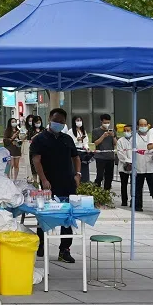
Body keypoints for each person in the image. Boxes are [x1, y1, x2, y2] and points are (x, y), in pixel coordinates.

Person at [31, 108, 81, 263]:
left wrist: (78, 175)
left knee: (68, 216)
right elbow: (36, 160)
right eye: (56, 120)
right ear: (50, 120)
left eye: (61, 121)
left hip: (68, 182)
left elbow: (76, 157)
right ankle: (41, 244)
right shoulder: (40, 139)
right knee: (44, 215)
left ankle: (64, 249)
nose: (58, 123)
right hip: (49, 184)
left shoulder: (67, 139)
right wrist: (43, 179)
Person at [134, 119, 153, 213]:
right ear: (137, 126)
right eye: (141, 125)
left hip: (151, 166)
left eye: (145, 124)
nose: (143, 126)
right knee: (138, 188)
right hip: (139, 166)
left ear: (148, 125)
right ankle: (137, 205)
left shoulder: (152, 135)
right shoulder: (134, 138)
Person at [91, 113, 116, 191]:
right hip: (100, 156)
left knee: (109, 177)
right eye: (105, 123)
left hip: (110, 157)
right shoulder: (96, 131)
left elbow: (115, 143)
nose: (107, 124)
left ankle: (106, 192)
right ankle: (97, 191)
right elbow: (94, 143)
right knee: (100, 176)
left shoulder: (112, 131)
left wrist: (113, 136)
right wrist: (103, 136)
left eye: (108, 122)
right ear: (101, 122)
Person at [115, 124, 134, 207]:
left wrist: (132, 162)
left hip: (134, 165)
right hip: (123, 165)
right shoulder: (120, 141)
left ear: (132, 131)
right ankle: (124, 200)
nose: (126, 132)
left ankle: (133, 200)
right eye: (125, 130)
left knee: (133, 184)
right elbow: (120, 153)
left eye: (128, 130)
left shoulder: (135, 140)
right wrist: (127, 161)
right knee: (123, 184)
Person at [70, 116, 92, 183]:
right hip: (75, 152)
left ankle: (85, 182)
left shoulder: (83, 131)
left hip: (83, 152)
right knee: (75, 169)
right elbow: (70, 142)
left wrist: (87, 148)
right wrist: (77, 140)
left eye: (80, 120)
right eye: (77, 120)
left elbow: (86, 141)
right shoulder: (70, 131)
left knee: (84, 169)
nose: (79, 122)